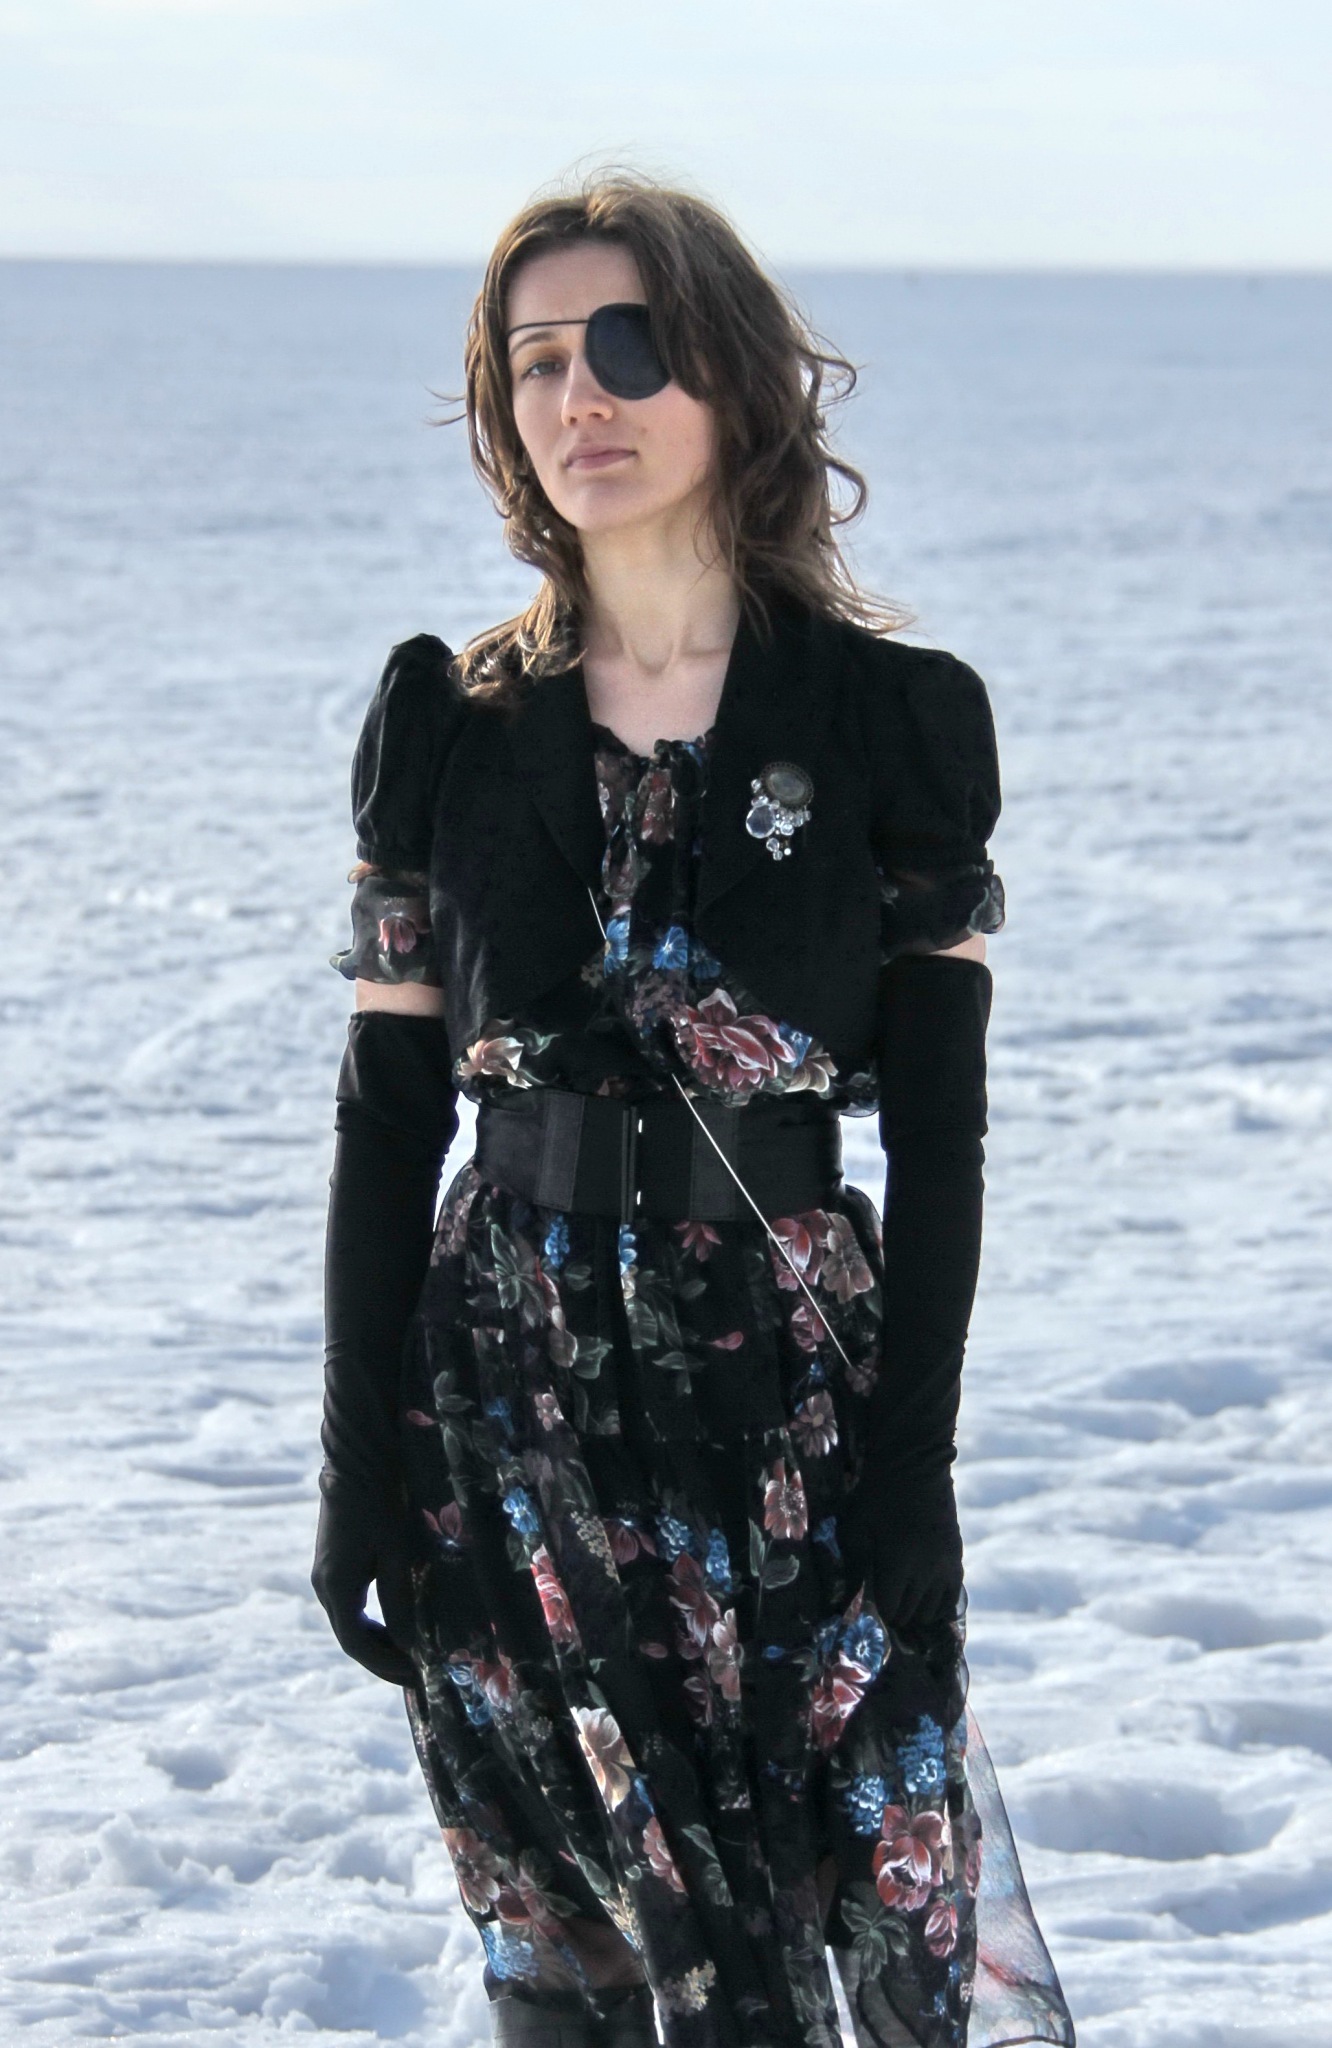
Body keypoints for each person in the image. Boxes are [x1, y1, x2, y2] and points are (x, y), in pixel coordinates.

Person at [311, 172, 1076, 2048]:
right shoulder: (447, 725)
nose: (580, 396)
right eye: (535, 361)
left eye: (629, 347)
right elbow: (389, 1117)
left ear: (730, 377)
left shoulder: (892, 720)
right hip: (510, 1402)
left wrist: (917, 1466)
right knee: (564, 1946)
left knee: (841, 1926)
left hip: (789, 1402)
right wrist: (353, 1465)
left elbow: (943, 1137)